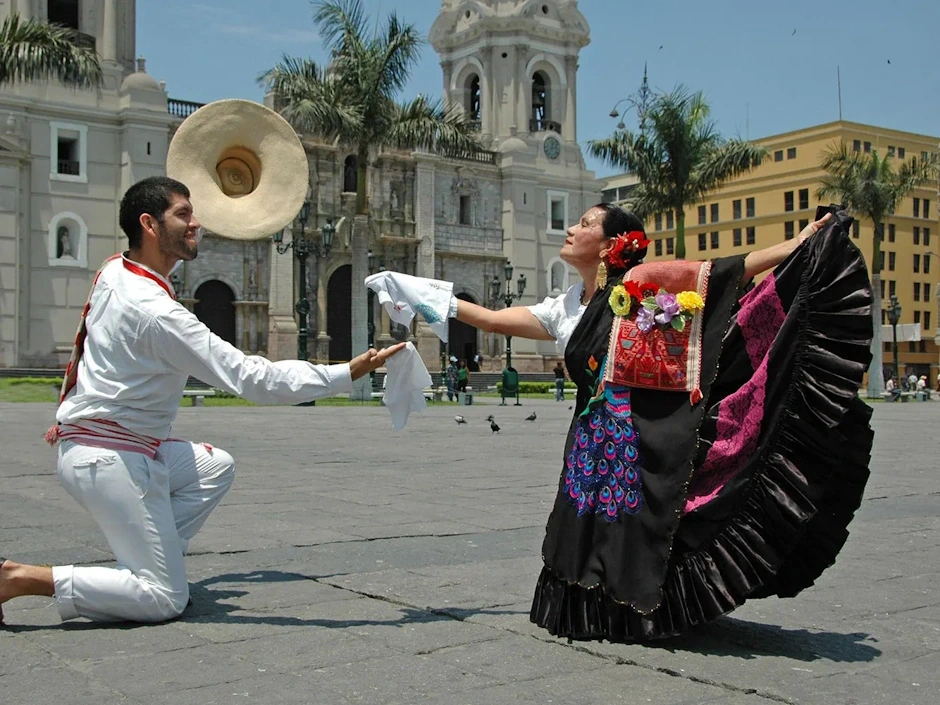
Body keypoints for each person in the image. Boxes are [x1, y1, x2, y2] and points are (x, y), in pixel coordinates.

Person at [370, 201, 874, 641]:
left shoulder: (641, 284)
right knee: (588, 520)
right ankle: (599, 612)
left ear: (611, 243)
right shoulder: (565, 307)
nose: (571, 229)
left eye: (585, 224)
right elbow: (491, 318)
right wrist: (419, 293)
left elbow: (725, 271)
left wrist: (798, 244)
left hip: (640, 430)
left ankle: (645, 611)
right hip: (591, 435)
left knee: (640, 519)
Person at [0, 176, 403, 626]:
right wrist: (344, 373)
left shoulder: (116, 270)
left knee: (215, 467)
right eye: (183, 214)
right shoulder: (157, 312)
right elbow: (254, 380)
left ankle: (152, 563)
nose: (197, 223)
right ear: (149, 224)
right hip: (111, 458)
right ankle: (19, 579)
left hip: (108, 446)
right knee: (163, 600)